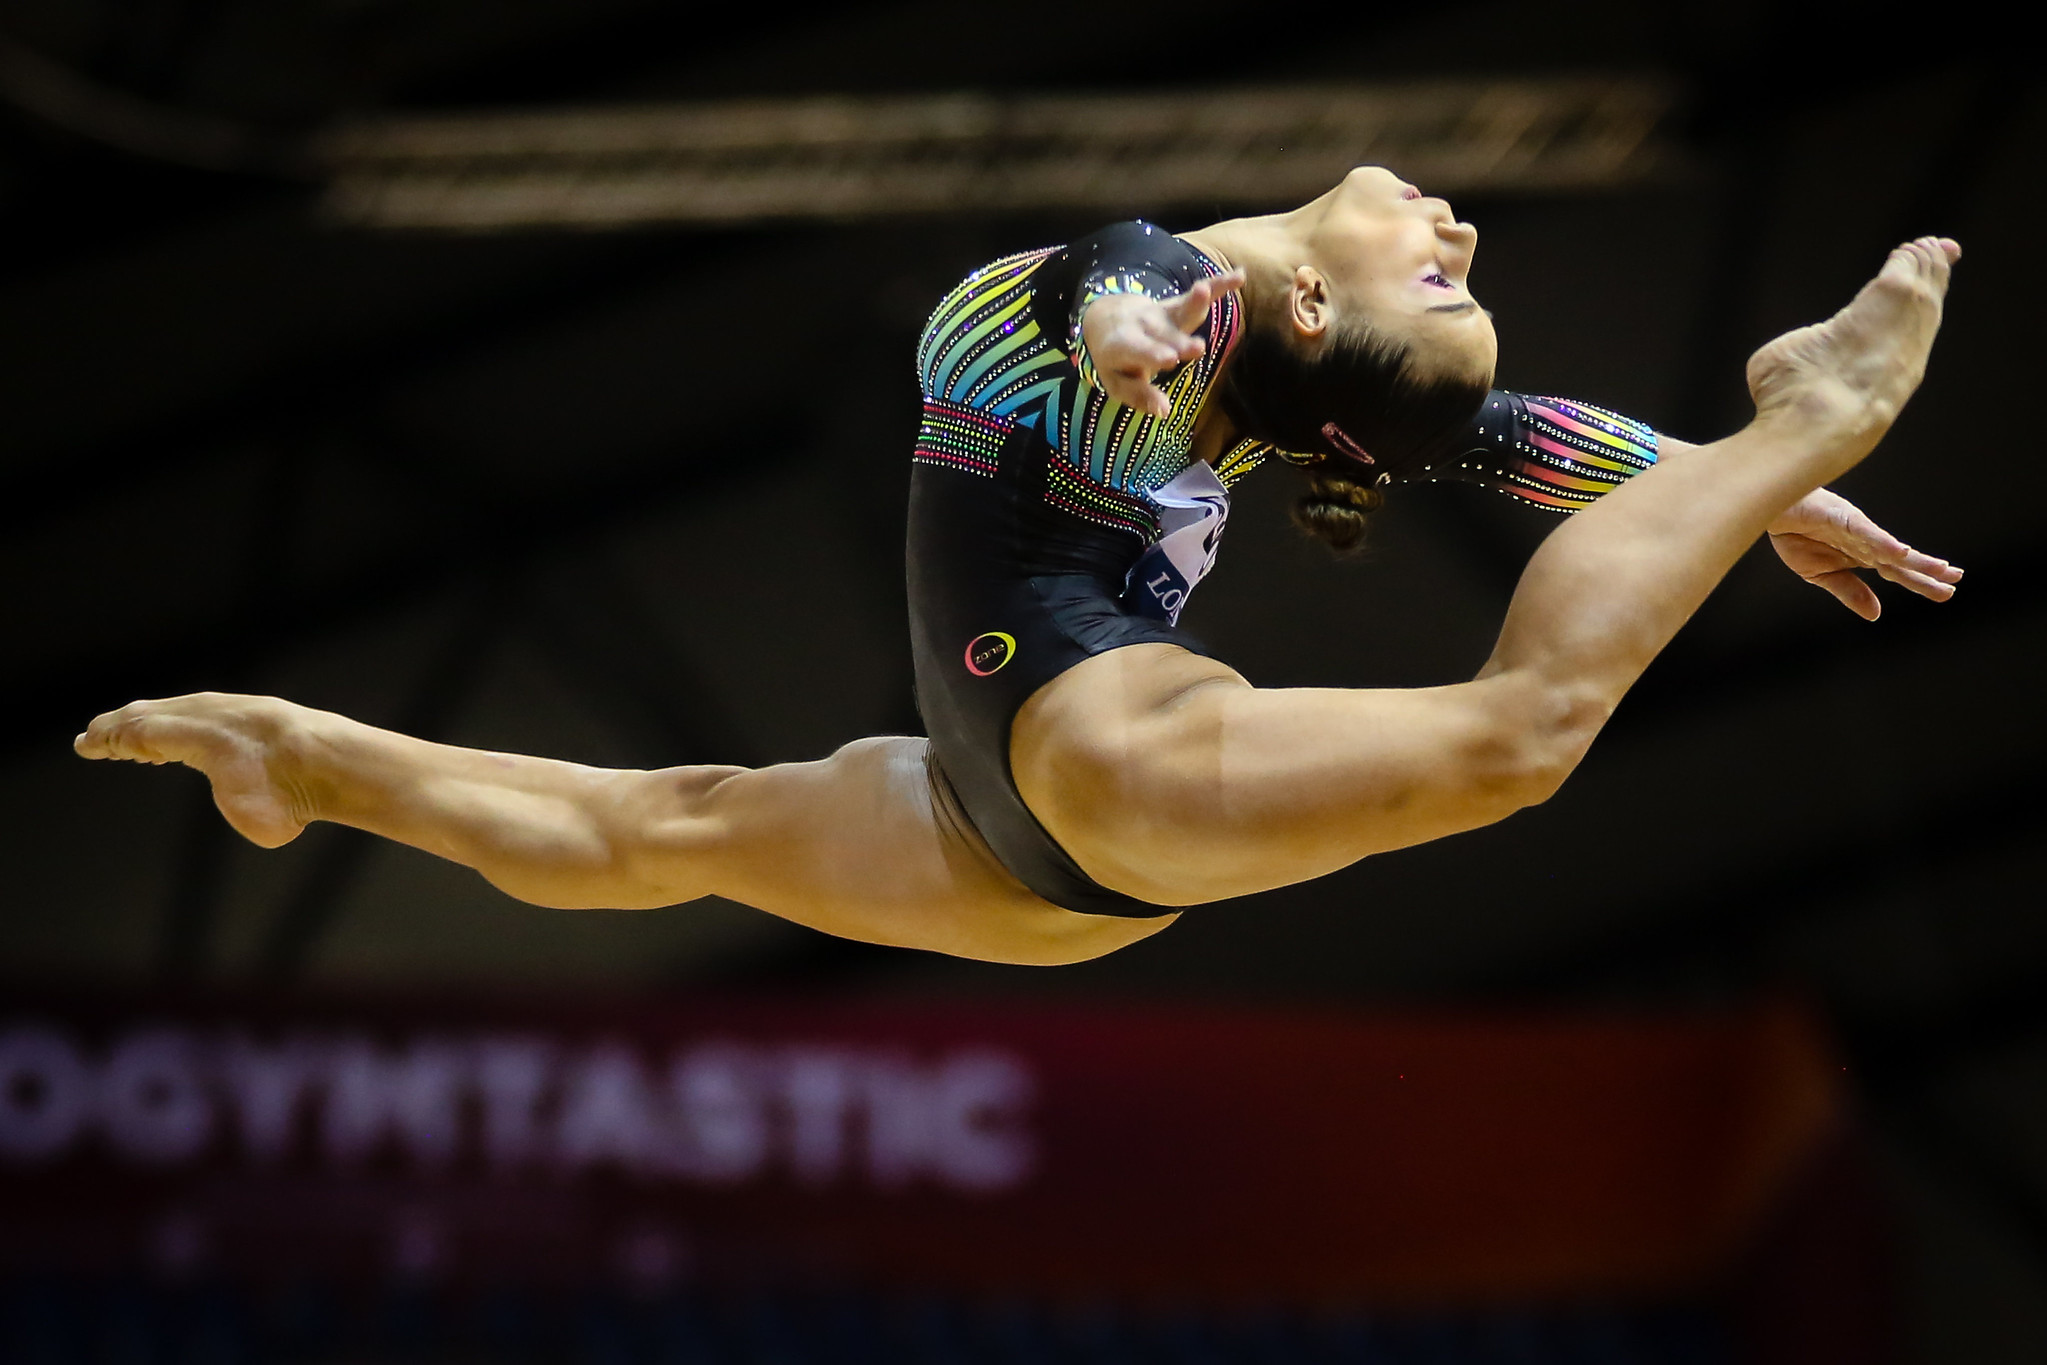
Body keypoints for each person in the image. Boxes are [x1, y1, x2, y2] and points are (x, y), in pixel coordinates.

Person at [75, 168, 1963, 967]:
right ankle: (293, 750)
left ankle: (1805, 414)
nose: (1456, 222)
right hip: (1016, 836)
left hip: (1082, 775)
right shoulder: (1117, 310)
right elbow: (1062, 293)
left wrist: (1728, 483)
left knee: (1522, 736)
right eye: (1458, 273)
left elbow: (1492, 428)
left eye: (1446, 272)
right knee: (669, 824)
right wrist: (1128, 316)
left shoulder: (1200, 336)